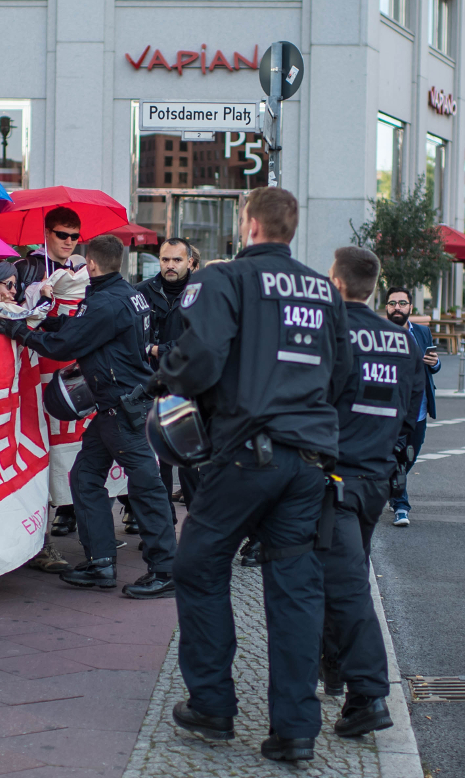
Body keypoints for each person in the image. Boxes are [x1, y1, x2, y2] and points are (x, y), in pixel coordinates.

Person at [150, 187, 352, 762]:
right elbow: (342, 377)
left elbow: (203, 355)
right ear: (289, 228)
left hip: (245, 455)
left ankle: (212, 704)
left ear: (250, 223)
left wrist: (166, 377)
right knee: (294, 589)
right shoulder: (322, 289)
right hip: (308, 462)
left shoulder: (227, 278)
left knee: (197, 565)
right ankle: (295, 731)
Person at [0, 234, 178, 599]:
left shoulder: (106, 302)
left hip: (123, 410)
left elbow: (67, 345)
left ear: (91, 265)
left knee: (147, 489)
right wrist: (54, 321)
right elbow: (88, 327)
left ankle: (166, 569)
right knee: (85, 478)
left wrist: (21, 332)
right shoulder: (126, 294)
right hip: (117, 409)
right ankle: (101, 562)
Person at [319, 247, 424, 737]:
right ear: (375, 287)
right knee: (343, 572)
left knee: (347, 586)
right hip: (375, 479)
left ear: (336, 284)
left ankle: (368, 694)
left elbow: (314, 401)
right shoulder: (402, 342)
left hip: (336, 477)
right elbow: (408, 411)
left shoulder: (333, 334)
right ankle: (334, 664)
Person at [134, 236, 199, 525]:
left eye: (177, 259)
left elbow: (201, 340)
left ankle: (200, 523)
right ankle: (163, 521)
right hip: (149, 380)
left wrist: (160, 348)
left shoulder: (202, 294)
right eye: (165, 259)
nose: (170, 265)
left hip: (188, 384)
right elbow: (133, 335)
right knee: (155, 457)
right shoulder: (141, 291)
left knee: (189, 460)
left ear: (190, 262)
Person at [385, 286, 441, 527]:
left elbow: (432, 368)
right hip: (389, 411)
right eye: (392, 303)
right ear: (386, 307)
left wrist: (435, 363)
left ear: (410, 307)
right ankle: (401, 506)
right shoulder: (380, 333)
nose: (397, 307)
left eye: (402, 303)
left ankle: (391, 487)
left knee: (409, 457)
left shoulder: (422, 332)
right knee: (394, 458)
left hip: (418, 410)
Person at [13, 207, 81, 300]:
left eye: (74, 236)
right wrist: (37, 293)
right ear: (47, 233)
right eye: (62, 235)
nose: (69, 242)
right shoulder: (24, 267)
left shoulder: (78, 271)